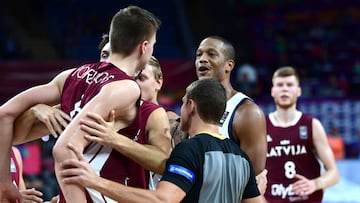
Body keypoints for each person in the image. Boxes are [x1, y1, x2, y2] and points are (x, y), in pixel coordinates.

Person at [0, 5, 161, 203]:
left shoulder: (72, 75)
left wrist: (4, 183)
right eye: (153, 44)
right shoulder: (126, 88)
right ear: (144, 47)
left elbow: (4, 114)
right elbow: (64, 149)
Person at [60, 78, 262, 203]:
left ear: (191, 106)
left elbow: (163, 200)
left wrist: (94, 181)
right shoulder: (241, 157)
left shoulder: (189, 150)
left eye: (182, 104)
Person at [194, 36, 267, 192]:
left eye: (211, 54)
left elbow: (251, 181)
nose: (202, 59)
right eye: (199, 54)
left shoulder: (247, 113)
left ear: (229, 65)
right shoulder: (191, 106)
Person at [264, 66, 340, 202]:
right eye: (280, 85)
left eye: (290, 85)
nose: (285, 89)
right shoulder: (261, 127)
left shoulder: (312, 125)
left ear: (298, 91)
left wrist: (315, 184)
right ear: (272, 91)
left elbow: (334, 174)